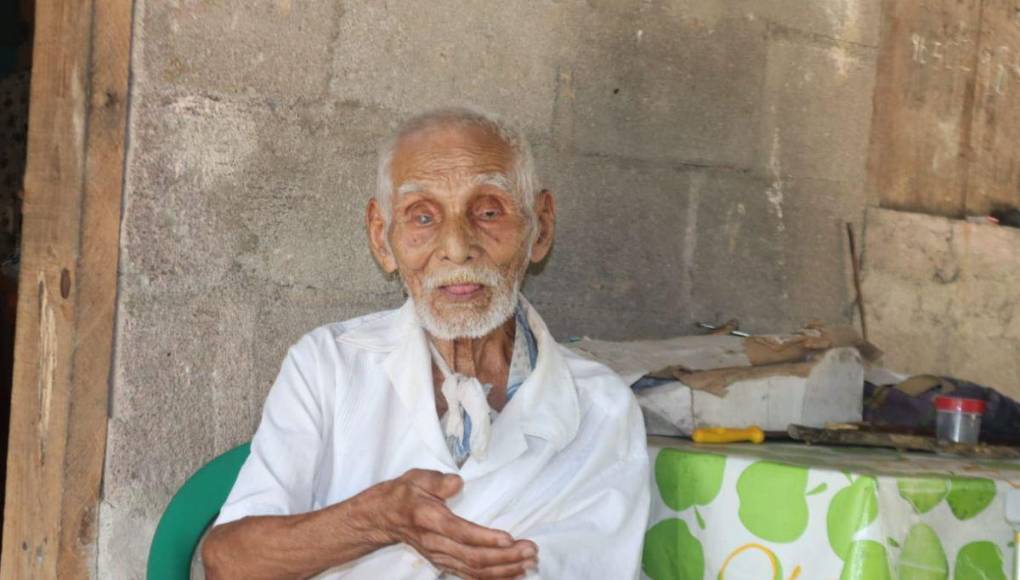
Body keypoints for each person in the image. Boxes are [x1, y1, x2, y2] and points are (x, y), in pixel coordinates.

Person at [201, 107, 650, 579]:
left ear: (540, 228)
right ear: (382, 238)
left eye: (488, 211)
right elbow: (229, 564)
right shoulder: (327, 363)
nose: (456, 247)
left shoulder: (600, 407)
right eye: (422, 217)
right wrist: (373, 519)